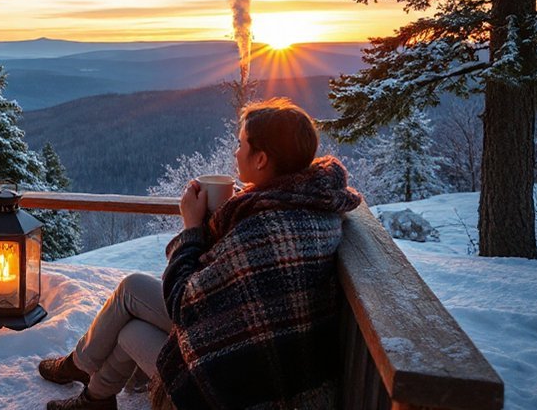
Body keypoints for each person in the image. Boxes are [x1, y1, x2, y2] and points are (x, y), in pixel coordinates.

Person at [39, 97, 363, 409]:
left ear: (261, 159)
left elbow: (184, 302)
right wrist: (225, 218)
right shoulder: (305, 203)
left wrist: (192, 227)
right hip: (281, 369)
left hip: (243, 390)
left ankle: (84, 376)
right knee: (131, 290)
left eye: (241, 144)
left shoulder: (261, 227)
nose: (235, 152)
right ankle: (89, 384)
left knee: (130, 328)